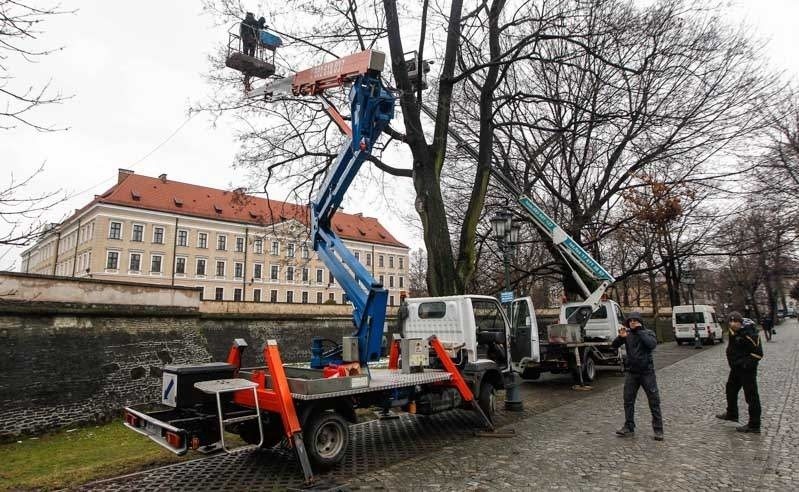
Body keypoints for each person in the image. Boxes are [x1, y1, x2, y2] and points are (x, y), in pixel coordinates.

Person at [612, 311, 664, 441]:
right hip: (632, 373)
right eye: (630, 321)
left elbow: (651, 344)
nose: (632, 322)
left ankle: (658, 430)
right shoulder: (627, 335)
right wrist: (620, 337)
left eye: (635, 320)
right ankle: (629, 426)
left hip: (647, 373)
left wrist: (639, 330)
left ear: (640, 322)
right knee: (628, 400)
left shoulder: (648, 333)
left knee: (654, 401)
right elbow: (614, 346)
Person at [716, 311, 763, 433]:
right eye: (730, 321)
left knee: (751, 396)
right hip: (736, 368)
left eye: (735, 321)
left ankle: (754, 424)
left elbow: (758, 353)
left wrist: (745, 364)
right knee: (730, 389)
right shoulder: (733, 332)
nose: (732, 324)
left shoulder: (749, 334)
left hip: (746, 370)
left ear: (740, 322)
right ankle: (732, 413)